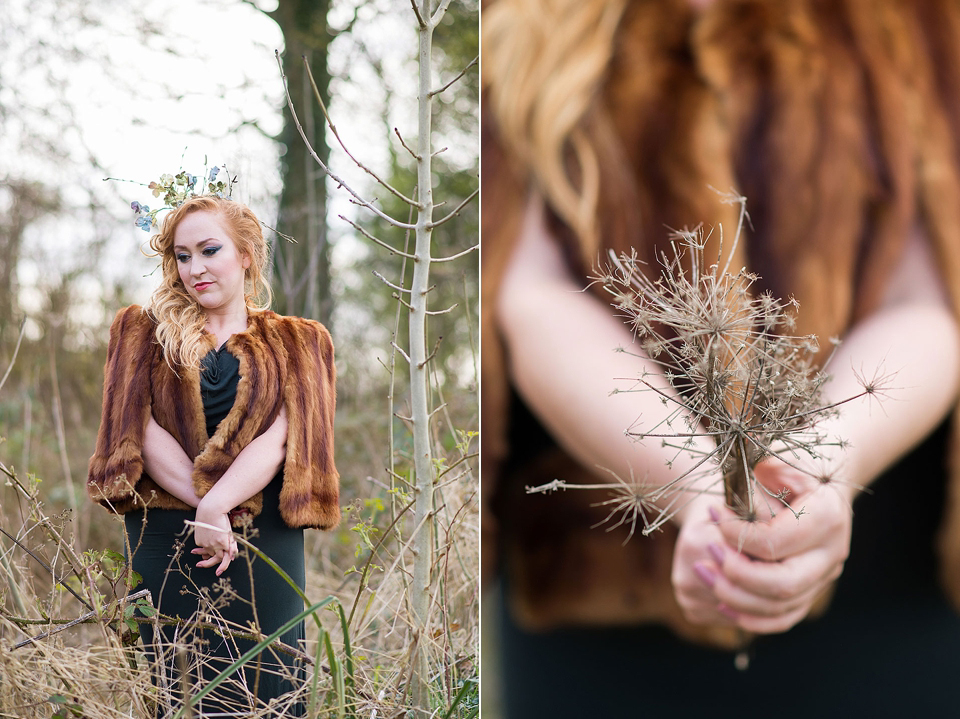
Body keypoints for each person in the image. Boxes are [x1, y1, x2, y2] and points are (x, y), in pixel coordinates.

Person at [482, 0, 960, 716]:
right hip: (604, 587)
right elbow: (532, 294)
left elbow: (927, 296)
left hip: (883, 573)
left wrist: (811, 473)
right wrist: (702, 489)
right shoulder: (521, 18)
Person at [87, 194, 339, 717]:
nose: (194, 269)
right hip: (166, 538)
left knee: (270, 689)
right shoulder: (143, 333)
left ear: (246, 254)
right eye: (182, 256)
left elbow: (283, 438)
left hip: (264, 538)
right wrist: (206, 509)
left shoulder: (301, 341)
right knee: (179, 691)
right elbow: (138, 430)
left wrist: (215, 508)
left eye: (209, 250)